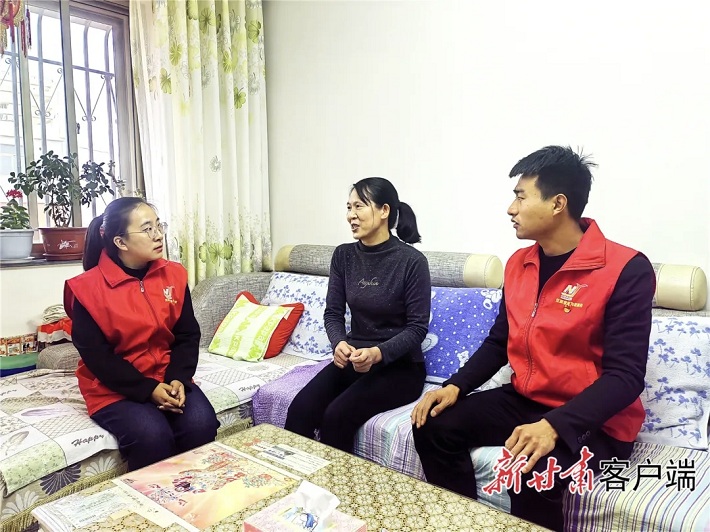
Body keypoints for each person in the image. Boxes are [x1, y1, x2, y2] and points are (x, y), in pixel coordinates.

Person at [410, 146, 655, 531]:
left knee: (531, 470)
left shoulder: (626, 269)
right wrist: (455, 386)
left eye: (521, 197)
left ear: (558, 204)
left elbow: (625, 376)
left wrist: (555, 425)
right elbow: (499, 341)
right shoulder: (519, 264)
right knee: (433, 424)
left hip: (595, 420)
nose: (511, 208)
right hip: (527, 399)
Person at [64, 197, 219, 471]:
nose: (158, 235)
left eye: (159, 226)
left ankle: (196, 491)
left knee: (201, 424)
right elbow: (98, 358)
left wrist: (178, 379)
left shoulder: (174, 275)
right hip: (113, 387)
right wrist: (148, 390)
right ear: (120, 242)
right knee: (152, 435)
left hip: (167, 377)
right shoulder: (86, 289)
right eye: (147, 229)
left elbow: (187, 334)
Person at [284, 177, 431, 452]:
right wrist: (339, 343)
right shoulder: (343, 255)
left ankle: (336, 481)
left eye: (359, 206)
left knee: (337, 417)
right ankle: (299, 477)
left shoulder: (412, 261)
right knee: (300, 409)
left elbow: (417, 328)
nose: (351, 215)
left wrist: (377, 353)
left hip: (400, 367)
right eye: (349, 207)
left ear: (384, 210)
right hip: (354, 359)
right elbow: (333, 313)